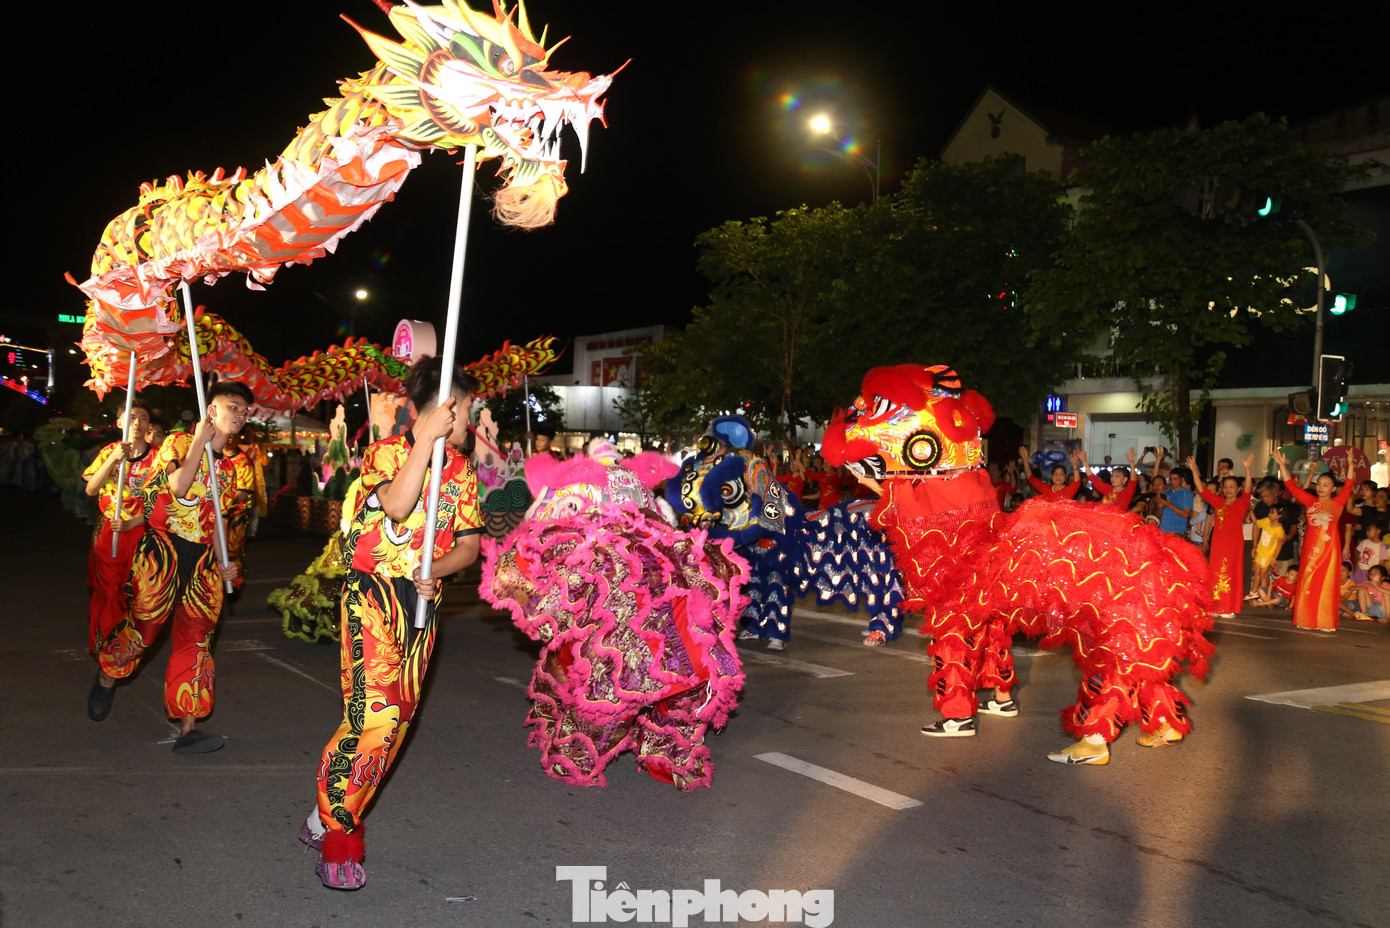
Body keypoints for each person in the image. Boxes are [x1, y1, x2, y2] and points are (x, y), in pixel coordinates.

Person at [301, 357, 482, 891]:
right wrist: (424, 440)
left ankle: (325, 810)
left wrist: (439, 571)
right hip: (372, 596)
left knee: (394, 722)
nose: (472, 420)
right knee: (372, 715)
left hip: (422, 605)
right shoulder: (383, 453)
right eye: (468, 408)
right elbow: (400, 507)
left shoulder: (464, 473)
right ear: (448, 408)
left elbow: (468, 548)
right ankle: (339, 837)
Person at [88, 382, 250, 751]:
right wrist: (199, 443)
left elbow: (219, 526)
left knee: (197, 640)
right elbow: (178, 487)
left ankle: (188, 729)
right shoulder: (177, 443)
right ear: (212, 410)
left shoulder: (230, 471)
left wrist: (228, 563)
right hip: (163, 552)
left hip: (203, 563)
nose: (241, 416)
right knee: (144, 629)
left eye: (245, 411)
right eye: (234, 407)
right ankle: (108, 674)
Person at [82, 400, 155, 654]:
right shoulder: (108, 452)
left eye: (143, 418)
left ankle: (131, 643)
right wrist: (114, 458)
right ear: (120, 423)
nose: (137, 422)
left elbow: (165, 501)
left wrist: (133, 522)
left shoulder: (158, 458)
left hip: (144, 531)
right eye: (132, 417)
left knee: (139, 591)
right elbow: (91, 489)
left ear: (148, 425)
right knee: (108, 590)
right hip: (110, 531)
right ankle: (106, 644)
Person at [1272, 448, 1355, 631]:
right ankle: (1306, 618)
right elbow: (1292, 488)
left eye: (1326, 485)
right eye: (1320, 483)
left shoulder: (1337, 503)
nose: (1321, 487)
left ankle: (1325, 621)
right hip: (1310, 549)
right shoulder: (1310, 501)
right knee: (1308, 583)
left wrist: (1350, 464)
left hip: (1328, 551)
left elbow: (1349, 484)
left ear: (1333, 489)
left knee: (1325, 584)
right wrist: (1282, 466)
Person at [1189, 454, 1254, 616]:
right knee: (1216, 572)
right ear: (1221, 489)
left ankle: (1229, 607)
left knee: (1231, 572)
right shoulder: (1218, 502)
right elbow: (1202, 490)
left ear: (1238, 489)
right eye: (1225, 486)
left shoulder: (1242, 502)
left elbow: (1248, 489)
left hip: (1234, 544)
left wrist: (1247, 469)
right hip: (1218, 543)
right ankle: (1216, 606)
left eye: (1232, 486)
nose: (1228, 489)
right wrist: (1194, 471)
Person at [1247, 501, 1287, 604]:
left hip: (1268, 555)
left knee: (1263, 574)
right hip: (1260, 552)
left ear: (1279, 516)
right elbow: (1256, 523)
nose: (1269, 514)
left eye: (1272, 512)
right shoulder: (1266, 521)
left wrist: (1274, 558)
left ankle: (1262, 593)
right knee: (1256, 572)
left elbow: (1279, 545)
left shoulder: (1280, 530)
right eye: (1270, 512)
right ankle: (1254, 591)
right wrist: (1251, 510)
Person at [1156, 463, 1195, 539]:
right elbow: (1158, 514)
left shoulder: (1187, 494)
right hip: (1163, 531)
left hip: (1178, 532)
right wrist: (1161, 506)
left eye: (1175, 479)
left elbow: (1186, 514)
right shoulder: (1165, 493)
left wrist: (1168, 505)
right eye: (1171, 479)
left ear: (1182, 480)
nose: (1172, 481)